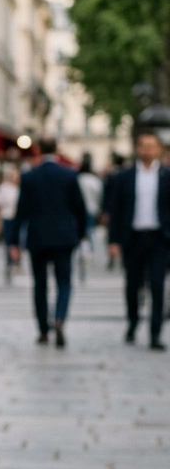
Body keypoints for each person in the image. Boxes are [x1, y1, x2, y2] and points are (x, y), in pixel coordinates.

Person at [8, 136, 88, 347]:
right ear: (56, 149)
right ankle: (59, 318)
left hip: (38, 238)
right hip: (64, 237)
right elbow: (79, 208)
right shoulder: (69, 174)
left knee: (40, 285)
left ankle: (43, 329)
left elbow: (21, 211)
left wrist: (14, 241)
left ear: (38, 150)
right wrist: (81, 233)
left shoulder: (30, 176)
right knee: (64, 282)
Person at [108, 129, 170, 351]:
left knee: (157, 285)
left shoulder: (166, 175)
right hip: (132, 238)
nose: (147, 150)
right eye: (143, 145)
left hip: (159, 239)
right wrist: (113, 241)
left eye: (152, 145)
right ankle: (133, 322)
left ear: (159, 149)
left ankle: (155, 333)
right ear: (137, 148)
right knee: (132, 286)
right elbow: (115, 210)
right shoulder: (123, 177)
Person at [0, 165, 21, 281]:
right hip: (7, 217)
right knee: (9, 242)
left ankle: (16, 261)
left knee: (18, 241)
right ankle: (10, 263)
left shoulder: (21, 188)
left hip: (18, 219)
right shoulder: (4, 188)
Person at [77, 154, 103, 246]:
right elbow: (99, 195)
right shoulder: (94, 180)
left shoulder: (77, 179)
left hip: (79, 209)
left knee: (81, 230)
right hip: (92, 208)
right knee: (90, 229)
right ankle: (89, 248)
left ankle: (83, 248)